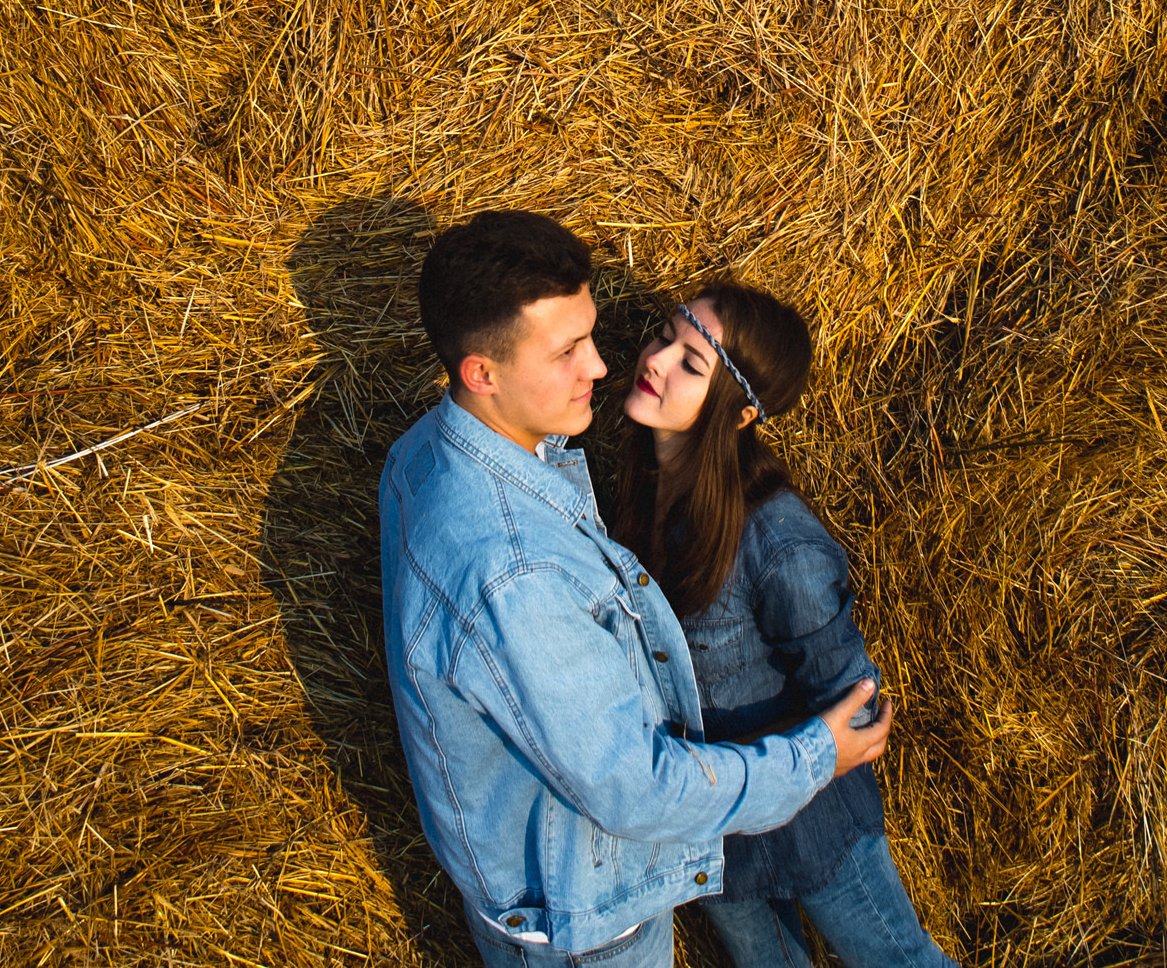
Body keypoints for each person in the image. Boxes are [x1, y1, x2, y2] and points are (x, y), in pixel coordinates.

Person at [379, 211, 896, 968]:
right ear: (481, 373)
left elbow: (842, 682)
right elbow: (637, 789)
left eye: (591, 338)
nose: (603, 365)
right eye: (566, 351)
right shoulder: (520, 573)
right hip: (596, 907)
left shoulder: (427, 453)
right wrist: (814, 757)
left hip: (708, 828)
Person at [610, 282, 957, 968]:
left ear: (740, 415)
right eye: (664, 337)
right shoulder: (636, 497)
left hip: (811, 825)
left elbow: (855, 704)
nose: (656, 360)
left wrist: (787, 761)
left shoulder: (777, 543)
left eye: (690, 363)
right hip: (711, 834)